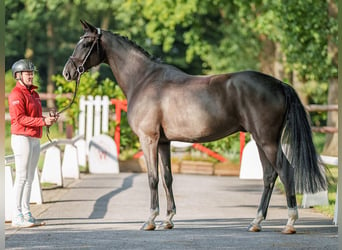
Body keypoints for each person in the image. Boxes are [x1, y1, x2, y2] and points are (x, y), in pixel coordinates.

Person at [8, 59, 58, 227]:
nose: (31, 75)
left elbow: (36, 118)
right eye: (27, 73)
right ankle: (16, 215)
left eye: (32, 73)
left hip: (35, 137)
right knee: (21, 176)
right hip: (22, 137)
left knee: (30, 177)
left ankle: (26, 211)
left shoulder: (34, 94)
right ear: (18, 75)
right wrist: (43, 122)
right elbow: (20, 118)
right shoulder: (16, 94)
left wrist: (48, 119)